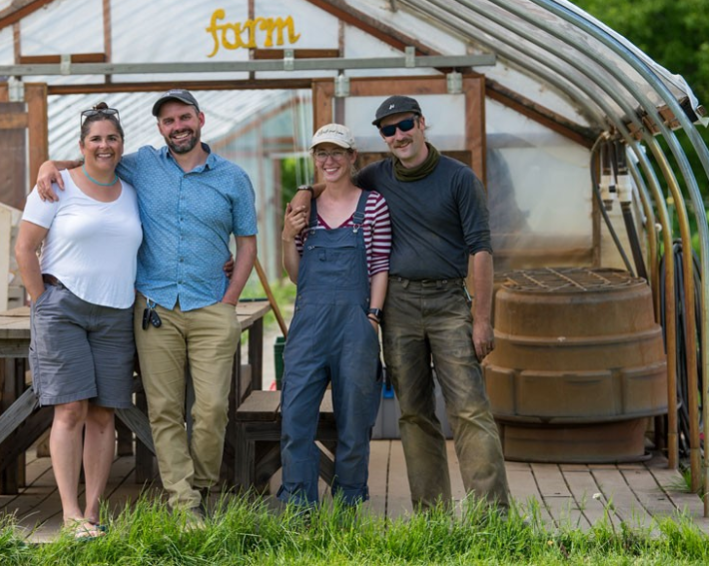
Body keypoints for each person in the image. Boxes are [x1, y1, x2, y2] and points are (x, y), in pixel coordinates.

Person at [36, 90, 257, 525]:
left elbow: (247, 243)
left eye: (184, 118)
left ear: (200, 120)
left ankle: (203, 485)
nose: (177, 126)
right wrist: (48, 165)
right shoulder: (141, 164)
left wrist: (231, 298)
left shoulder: (233, 178)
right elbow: (91, 163)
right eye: (168, 120)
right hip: (155, 307)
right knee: (164, 411)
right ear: (160, 128)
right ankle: (185, 504)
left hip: (213, 303)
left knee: (211, 409)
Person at [290, 96, 509, 513]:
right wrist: (304, 193)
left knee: (469, 409)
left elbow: (481, 251)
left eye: (405, 125)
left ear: (422, 123)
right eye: (388, 130)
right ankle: (432, 514)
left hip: (448, 303)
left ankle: (492, 517)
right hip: (399, 304)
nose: (398, 135)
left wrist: (482, 319)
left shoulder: (459, 179)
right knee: (414, 412)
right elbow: (335, 182)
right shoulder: (377, 176)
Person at [15, 103, 142, 539]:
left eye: (112, 138)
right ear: (82, 145)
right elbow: (24, 248)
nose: (104, 146)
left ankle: (92, 511)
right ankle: (69, 514)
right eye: (96, 139)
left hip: (116, 311)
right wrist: (42, 302)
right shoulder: (56, 185)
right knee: (70, 409)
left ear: (121, 144)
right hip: (63, 307)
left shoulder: (132, 189)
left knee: (104, 414)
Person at [279, 124, 391, 508]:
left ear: (351, 158)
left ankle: (348, 507)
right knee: (295, 419)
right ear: (314, 159)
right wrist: (285, 235)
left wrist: (373, 317)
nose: (329, 160)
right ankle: (299, 508)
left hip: (355, 325)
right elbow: (295, 275)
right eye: (321, 153)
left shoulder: (373, 205)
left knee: (354, 423)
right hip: (308, 324)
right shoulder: (302, 208)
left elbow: (379, 266)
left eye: (336, 153)